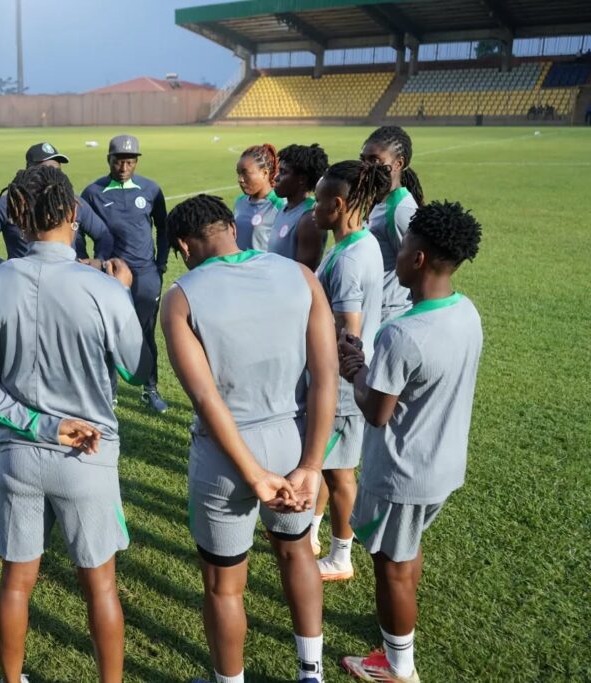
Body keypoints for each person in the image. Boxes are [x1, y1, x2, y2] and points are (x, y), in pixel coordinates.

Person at [0, 164, 151, 683]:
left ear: (17, 219)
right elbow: (137, 369)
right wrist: (126, 294)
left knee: (16, 583)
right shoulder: (101, 286)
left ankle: (11, 679)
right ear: (72, 214)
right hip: (88, 455)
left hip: (19, 455)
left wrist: (38, 425)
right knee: (101, 587)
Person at [160, 194, 338, 683]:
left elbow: (206, 399)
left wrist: (252, 473)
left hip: (224, 455)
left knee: (223, 585)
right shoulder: (300, 276)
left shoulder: (180, 297)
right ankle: (310, 672)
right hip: (294, 441)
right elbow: (326, 377)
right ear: (231, 230)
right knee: (297, 551)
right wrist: (310, 465)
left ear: (183, 245)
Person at [338, 201, 483, 683]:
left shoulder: (403, 333)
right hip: (442, 466)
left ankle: (398, 666)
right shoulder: (465, 311)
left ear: (418, 259)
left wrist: (355, 369)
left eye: (401, 247)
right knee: (405, 550)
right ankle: (396, 640)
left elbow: (376, 411)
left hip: (400, 474)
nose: (395, 254)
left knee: (391, 568)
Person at [310, 161, 388, 582]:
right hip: (338, 382)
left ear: (338, 205)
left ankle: (341, 555)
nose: (314, 208)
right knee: (326, 463)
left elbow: (349, 335)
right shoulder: (356, 243)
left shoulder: (350, 261)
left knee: (339, 472)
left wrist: (328, 375)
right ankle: (312, 533)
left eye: (320, 201)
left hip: (341, 386)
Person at [81, 134, 169, 413]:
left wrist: (162, 262)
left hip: (146, 273)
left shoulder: (151, 190)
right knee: (107, 333)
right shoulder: (92, 192)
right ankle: (110, 392)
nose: (123, 167)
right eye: (118, 161)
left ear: (136, 162)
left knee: (145, 331)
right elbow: (77, 228)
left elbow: (164, 228)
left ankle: (150, 389)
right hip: (108, 272)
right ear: (109, 159)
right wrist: (90, 261)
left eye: (129, 162)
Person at [0, 142, 114, 268]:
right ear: (30, 169)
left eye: (57, 169)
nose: (54, 174)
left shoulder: (73, 202)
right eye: (47, 169)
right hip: (25, 284)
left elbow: (103, 235)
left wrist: (99, 260)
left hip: (69, 282)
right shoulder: (9, 204)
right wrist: (3, 267)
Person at [360, 126, 424, 322]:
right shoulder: (377, 200)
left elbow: (419, 269)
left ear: (398, 164)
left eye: (374, 160)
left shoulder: (400, 210)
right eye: (363, 159)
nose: (366, 166)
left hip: (386, 314)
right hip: (370, 308)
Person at [270, 143, 330, 270]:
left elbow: (304, 274)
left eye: (283, 172)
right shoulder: (284, 208)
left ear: (301, 179)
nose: (276, 178)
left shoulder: (309, 219)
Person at [233, 144, 285, 252]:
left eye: (245, 173)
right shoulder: (240, 202)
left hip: (266, 268)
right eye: (238, 173)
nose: (240, 179)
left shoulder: (280, 205)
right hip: (240, 268)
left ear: (264, 173)